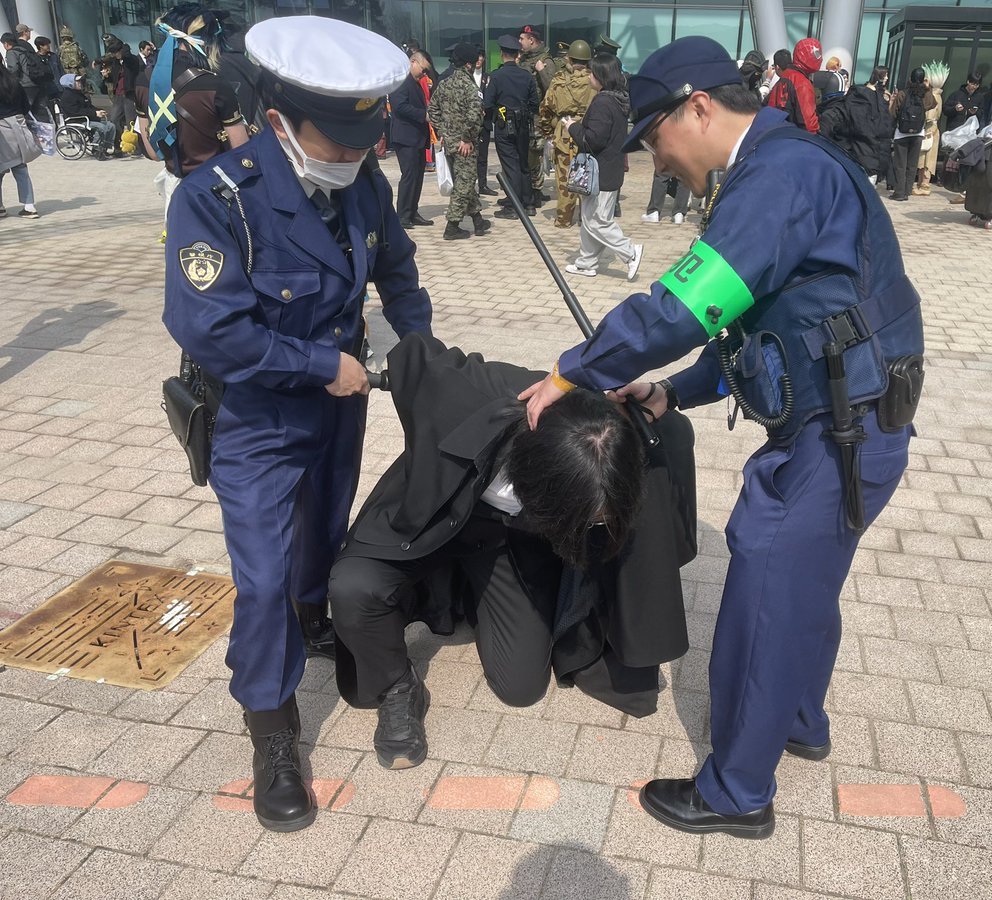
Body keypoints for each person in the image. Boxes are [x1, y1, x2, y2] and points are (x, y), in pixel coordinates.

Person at [519, 35, 921, 840]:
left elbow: (682, 308)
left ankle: (737, 791)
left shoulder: (779, 177)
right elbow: (752, 331)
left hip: (835, 432)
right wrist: (674, 389)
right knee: (808, 582)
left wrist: (572, 372)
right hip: (849, 421)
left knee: (767, 588)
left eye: (656, 140)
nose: (657, 163)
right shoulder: (773, 166)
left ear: (698, 107)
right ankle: (798, 720)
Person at [162, 14, 433, 833]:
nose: (353, 156)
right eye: (337, 140)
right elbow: (210, 327)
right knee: (263, 578)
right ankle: (272, 729)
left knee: (323, 537)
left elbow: (398, 273)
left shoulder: (363, 186)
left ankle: (317, 625)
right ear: (279, 121)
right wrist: (322, 365)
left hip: (336, 415)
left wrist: (423, 359)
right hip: (255, 418)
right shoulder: (216, 199)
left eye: (363, 140)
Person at [329, 333, 696, 766]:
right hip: (429, 514)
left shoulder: (611, 434)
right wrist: (354, 373)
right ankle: (397, 686)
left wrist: (664, 395)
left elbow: (673, 430)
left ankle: (471, 595)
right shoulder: (474, 395)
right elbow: (415, 356)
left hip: (503, 541)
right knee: (352, 588)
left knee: (520, 688)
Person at [135, 3, 249, 235]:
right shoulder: (215, 84)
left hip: (176, 195)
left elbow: (153, 152)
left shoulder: (143, 80)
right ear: (205, 40)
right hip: (216, 197)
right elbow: (242, 154)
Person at [563, 52, 641, 279]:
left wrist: (572, 126)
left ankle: (630, 252)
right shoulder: (618, 98)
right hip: (609, 169)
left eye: (591, 72)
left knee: (597, 221)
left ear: (600, 75)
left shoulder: (603, 101)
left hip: (600, 172)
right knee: (591, 218)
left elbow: (593, 139)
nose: (588, 76)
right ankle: (586, 262)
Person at [429, 42, 491, 240]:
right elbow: (474, 116)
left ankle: (478, 220)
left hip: (450, 143)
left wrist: (443, 133)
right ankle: (452, 226)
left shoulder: (445, 83)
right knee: (463, 185)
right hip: (466, 145)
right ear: (468, 65)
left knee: (463, 181)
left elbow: (432, 110)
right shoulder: (469, 86)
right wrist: (466, 138)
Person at [538, 40, 597, 228]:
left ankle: (564, 219)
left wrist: (548, 133)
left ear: (569, 58)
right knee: (589, 176)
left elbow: (546, 109)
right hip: (589, 133)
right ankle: (587, 220)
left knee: (564, 181)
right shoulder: (595, 80)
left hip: (564, 134)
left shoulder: (559, 80)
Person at [484, 34, 538, 218]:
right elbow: (534, 103)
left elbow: (488, 103)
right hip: (523, 124)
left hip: (504, 124)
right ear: (517, 55)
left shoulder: (497, 76)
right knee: (523, 163)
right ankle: (528, 203)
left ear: (501, 54)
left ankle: (513, 207)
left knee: (511, 166)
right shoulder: (526, 75)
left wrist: (497, 116)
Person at [390, 47, 433, 228]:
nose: (424, 74)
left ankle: (413, 211)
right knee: (409, 176)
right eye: (423, 70)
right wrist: (423, 115)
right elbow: (399, 106)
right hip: (405, 137)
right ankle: (403, 215)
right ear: (413, 62)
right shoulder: (400, 81)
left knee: (418, 176)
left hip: (418, 137)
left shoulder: (415, 82)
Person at [518, 25, 554, 205]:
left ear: (531, 40)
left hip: (537, 116)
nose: (520, 42)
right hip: (523, 115)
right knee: (525, 153)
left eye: (522, 39)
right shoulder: (523, 59)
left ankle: (536, 191)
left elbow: (553, 89)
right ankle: (528, 189)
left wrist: (542, 71)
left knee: (535, 153)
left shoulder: (545, 60)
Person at [0, 60, 39, 218]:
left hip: (2, 130)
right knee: (21, 169)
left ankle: (0, 207)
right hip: (18, 125)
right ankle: (29, 206)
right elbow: (26, 106)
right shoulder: (13, 80)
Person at [888, 67, 933, 201]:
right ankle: (907, 191)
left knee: (900, 164)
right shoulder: (925, 94)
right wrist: (927, 86)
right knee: (912, 164)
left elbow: (893, 113)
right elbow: (932, 104)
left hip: (901, 134)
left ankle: (899, 192)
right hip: (918, 133)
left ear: (910, 79)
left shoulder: (903, 94)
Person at [766, 38, 821, 133]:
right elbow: (809, 125)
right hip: (794, 138)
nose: (819, 58)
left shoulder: (785, 77)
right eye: (817, 54)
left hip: (776, 135)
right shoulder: (802, 83)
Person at [99, 34, 144, 151]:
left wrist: (123, 52)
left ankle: (135, 146)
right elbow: (114, 78)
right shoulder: (115, 63)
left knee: (131, 122)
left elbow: (128, 55)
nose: (114, 56)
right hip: (118, 95)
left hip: (129, 94)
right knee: (114, 119)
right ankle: (117, 145)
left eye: (115, 53)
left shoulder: (131, 60)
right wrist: (106, 77)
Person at [57, 73, 116, 157]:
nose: (80, 83)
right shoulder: (67, 96)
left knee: (111, 126)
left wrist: (98, 111)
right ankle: (96, 149)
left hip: (87, 118)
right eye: (77, 81)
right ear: (70, 83)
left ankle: (104, 148)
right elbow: (75, 111)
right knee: (101, 127)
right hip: (77, 120)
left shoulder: (79, 94)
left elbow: (89, 107)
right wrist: (94, 113)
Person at [3, 29, 54, 122]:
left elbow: (13, 69)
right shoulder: (24, 49)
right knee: (40, 110)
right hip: (36, 82)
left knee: (26, 111)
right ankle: (49, 131)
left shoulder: (11, 52)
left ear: (6, 43)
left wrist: (10, 82)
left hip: (25, 85)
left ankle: (33, 133)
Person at [473, 47, 496, 196]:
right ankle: (470, 187)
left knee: (483, 156)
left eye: (482, 57)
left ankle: (483, 184)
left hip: (485, 122)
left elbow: (491, 98)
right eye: (477, 56)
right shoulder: (467, 77)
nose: (479, 59)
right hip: (471, 122)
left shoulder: (488, 78)